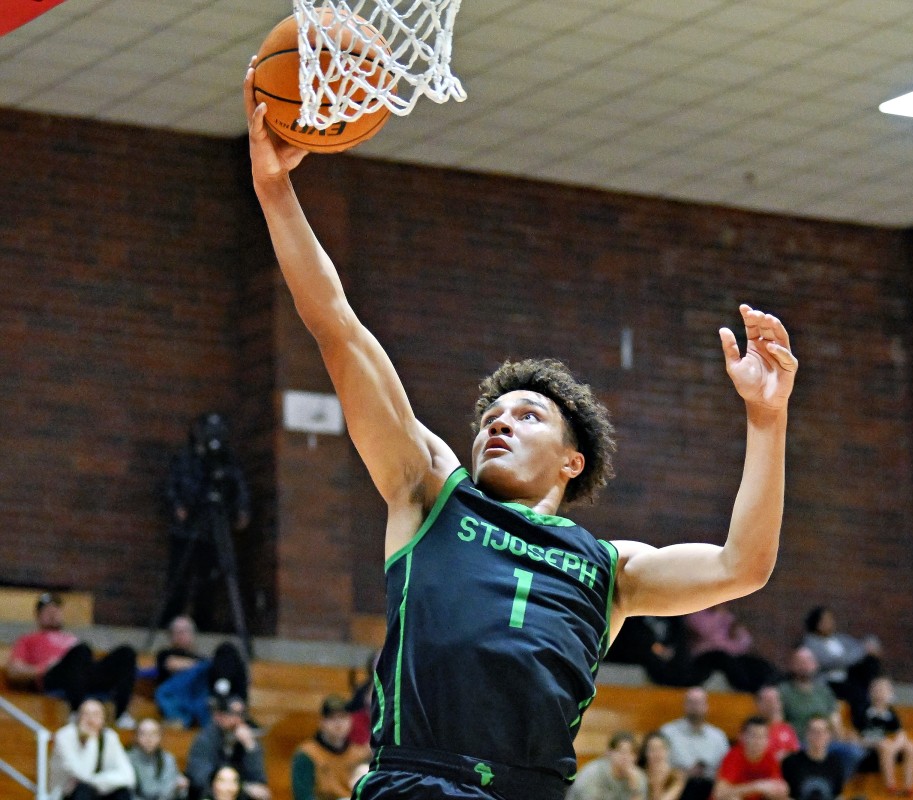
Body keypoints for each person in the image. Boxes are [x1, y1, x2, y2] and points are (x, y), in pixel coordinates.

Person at [245, 59, 796, 800]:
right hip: (417, 782)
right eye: (491, 418)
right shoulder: (430, 492)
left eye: (527, 415)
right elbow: (338, 329)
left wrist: (767, 418)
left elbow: (743, 566)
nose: (498, 425)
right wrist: (276, 191)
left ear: (572, 461)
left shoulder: (610, 570)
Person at [161, 411, 252, 632]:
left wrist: (241, 509)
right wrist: (178, 506)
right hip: (187, 528)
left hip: (214, 529)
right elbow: (172, 488)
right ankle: (171, 620)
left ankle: (204, 622)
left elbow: (237, 486)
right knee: (179, 576)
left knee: (210, 578)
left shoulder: (227, 461)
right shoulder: (186, 459)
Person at [4, 592, 138, 728]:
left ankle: (121, 714)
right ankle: (77, 712)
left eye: (56, 610)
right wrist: (44, 668)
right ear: (38, 616)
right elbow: (14, 671)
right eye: (48, 610)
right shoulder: (28, 639)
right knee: (81, 651)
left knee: (126, 653)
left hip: (81, 675)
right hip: (53, 677)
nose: (53, 614)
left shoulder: (72, 639)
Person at [778, 647, 866, 783]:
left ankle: (832, 785)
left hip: (825, 742)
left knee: (855, 752)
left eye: (808, 661)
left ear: (815, 665)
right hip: (799, 743)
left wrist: (842, 737)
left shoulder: (824, 691)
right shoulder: (783, 691)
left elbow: (834, 718)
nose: (804, 665)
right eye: (800, 661)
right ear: (792, 665)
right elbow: (778, 722)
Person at [155, 615, 250, 728]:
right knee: (218, 663)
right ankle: (223, 693)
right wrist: (208, 664)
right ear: (171, 636)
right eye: (179, 632)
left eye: (186, 631)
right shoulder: (165, 654)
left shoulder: (201, 657)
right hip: (181, 699)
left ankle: (228, 694)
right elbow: (172, 664)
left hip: (204, 696)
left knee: (227, 651)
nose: (182, 635)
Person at [800, 606, 880, 721]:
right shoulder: (811, 642)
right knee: (857, 695)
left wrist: (868, 648)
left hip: (847, 678)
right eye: (825, 620)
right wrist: (861, 652)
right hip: (828, 681)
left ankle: (876, 691)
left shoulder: (839, 639)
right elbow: (832, 661)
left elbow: (859, 645)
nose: (829, 623)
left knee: (870, 662)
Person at [185, 693, 270, 800]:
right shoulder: (205, 739)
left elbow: (259, 779)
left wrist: (251, 747)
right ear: (218, 716)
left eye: (241, 715)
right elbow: (200, 777)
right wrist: (242, 787)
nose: (238, 720)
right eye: (232, 714)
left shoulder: (245, 739)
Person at [48, 698, 137, 800]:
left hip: (98, 789)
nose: (90, 719)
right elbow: (83, 774)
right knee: (83, 789)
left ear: (103, 719)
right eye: (86, 714)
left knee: (123, 792)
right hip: (67, 793)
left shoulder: (110, 737)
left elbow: (129, 776)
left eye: (96, 714)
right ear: (78, 718)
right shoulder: (64, 736)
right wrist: (91, 740)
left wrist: (98, 781)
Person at [291, 695, 373, 800]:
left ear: (351, 720)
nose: (338, 723)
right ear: (322, 722)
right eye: (332, 718)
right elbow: (303, 796)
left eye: (343, 717)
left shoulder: (361, 754)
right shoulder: (307, 754)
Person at [682, 605, 778, 693]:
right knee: (725, 659)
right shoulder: (697, 614)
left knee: (755, 663)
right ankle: (743, 687)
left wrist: (736, 633)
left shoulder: (727, 617)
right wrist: (719, 615)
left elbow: (746, 642)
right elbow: (706, 633)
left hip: (729, 655)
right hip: (707, 656)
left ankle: (768, 686)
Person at [659, 687, 732, 800]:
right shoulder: (668, 733)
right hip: (676, 790)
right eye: (691, 702)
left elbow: (726, 771)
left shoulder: (718, 737)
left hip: (710, 791)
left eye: (699, 702)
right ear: (684, 705)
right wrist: (684, 774)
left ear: (706, 706)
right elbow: (658, 766)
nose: (695, 707)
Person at [854, 677, 913, 796]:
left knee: (911, 746)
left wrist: (895, 746)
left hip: (886, 748)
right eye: (877, 690)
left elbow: (901, 734)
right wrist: (884, 745)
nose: (880, 694)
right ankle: (890, 786)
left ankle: (908, 787)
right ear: (871, 692)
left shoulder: (891, 713)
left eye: (884, 691)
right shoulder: (862, 710)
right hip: (866, 746)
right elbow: (855, 735)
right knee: (885, 744)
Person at [712, 717, 789, 800]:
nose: (758, 741)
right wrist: (757, 786)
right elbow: (719, 793)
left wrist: (781, 789)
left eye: (762, 736)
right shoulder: (734, 756)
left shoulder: (770, 758)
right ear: (742, 737)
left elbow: (777, 790)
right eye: (754, 736)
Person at [566, 732, 647, 800]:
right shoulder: (592, 774)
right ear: (609, 753)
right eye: (621, 751)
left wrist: (635, 789)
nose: (625, 757)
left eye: (631, 753)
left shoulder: (639, 777)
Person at [781, 718, 843, 800]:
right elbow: (783, 795)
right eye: (813, 732)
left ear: (829, 735)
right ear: (807, 734)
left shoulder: (836, 764)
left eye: (821, 732)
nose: (818, 736)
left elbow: (839, 795)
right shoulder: (791, 762)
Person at [128, 717, 189, 800]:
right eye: (143, 734)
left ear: (160, 737)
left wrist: (180, 788)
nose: (148, 739)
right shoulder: (128, 759)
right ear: (136, 737)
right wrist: (173, 787)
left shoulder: (168, 759)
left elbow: (180, 793)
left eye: (153, 734)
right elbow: (130, 793)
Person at [754, 685, 800, 762]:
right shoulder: (753, 730)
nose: (774, 705)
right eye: (769, 701)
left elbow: (796, 754)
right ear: (759, 705)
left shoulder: (787, 729)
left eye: (776, 700)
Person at [637, 732, 685, 800]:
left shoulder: (676, 776)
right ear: (645, 753)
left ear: (668, 751)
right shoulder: (639, 774)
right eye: (652, 749)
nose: (657, 753)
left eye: (661, 748)